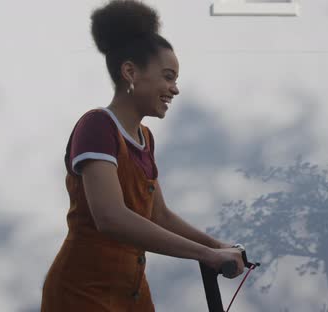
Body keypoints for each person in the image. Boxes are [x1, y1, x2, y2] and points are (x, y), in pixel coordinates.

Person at [41, 1, 244, 311]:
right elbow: (110, 217)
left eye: (175, 79)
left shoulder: (144, 138)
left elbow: (158, 214)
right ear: (130, 72)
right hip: (82, 295)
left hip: (131, 294)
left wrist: (215, 245)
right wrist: (204, 255)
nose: (174, 89)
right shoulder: (97, 126)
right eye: (167, 76)